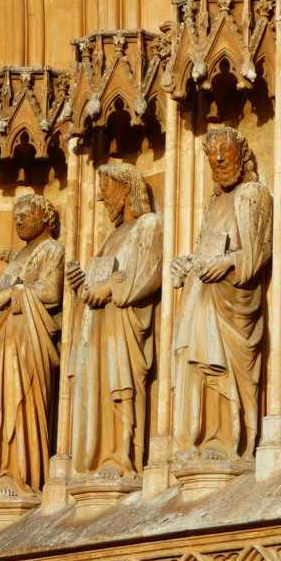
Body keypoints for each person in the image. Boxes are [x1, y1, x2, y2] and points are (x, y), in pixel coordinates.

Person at [170, 127, 272, 464]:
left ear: (241, 153)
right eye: (211, 153)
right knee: (197, 367)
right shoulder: (214, 203)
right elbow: (206, 248)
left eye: (224, 149)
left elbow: (258, 253)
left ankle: (229, 441)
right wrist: (189, 265)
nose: (217, 158)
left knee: (223, 369)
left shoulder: (252, 194)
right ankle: (202, 437)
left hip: (233, 305)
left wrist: (228, 262)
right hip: (203, 298)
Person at [66, 163, 162, 479]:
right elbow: (101, 279)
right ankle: (102, 456)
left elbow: (145, 273)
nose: (100, 195)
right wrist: (83, 283)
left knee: (121, 388)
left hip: (123, 326)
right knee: (97, 388)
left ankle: (123, 457)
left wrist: (110, 287)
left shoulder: (148, 225)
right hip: (100, 326)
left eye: (105, 186)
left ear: (124, 187)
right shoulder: (113, 236)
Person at [0, 195, 63, 497]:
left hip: (28, 340)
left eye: (27, 213)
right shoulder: (19, 256)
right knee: (0, 406)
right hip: (3, 339)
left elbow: (52, 291)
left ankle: (20, 475)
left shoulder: (52, 249)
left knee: (21, 403)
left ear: (46, 216)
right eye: (16, 215)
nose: (20, 220)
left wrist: (12, 294)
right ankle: (2, 473)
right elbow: (6, 290)